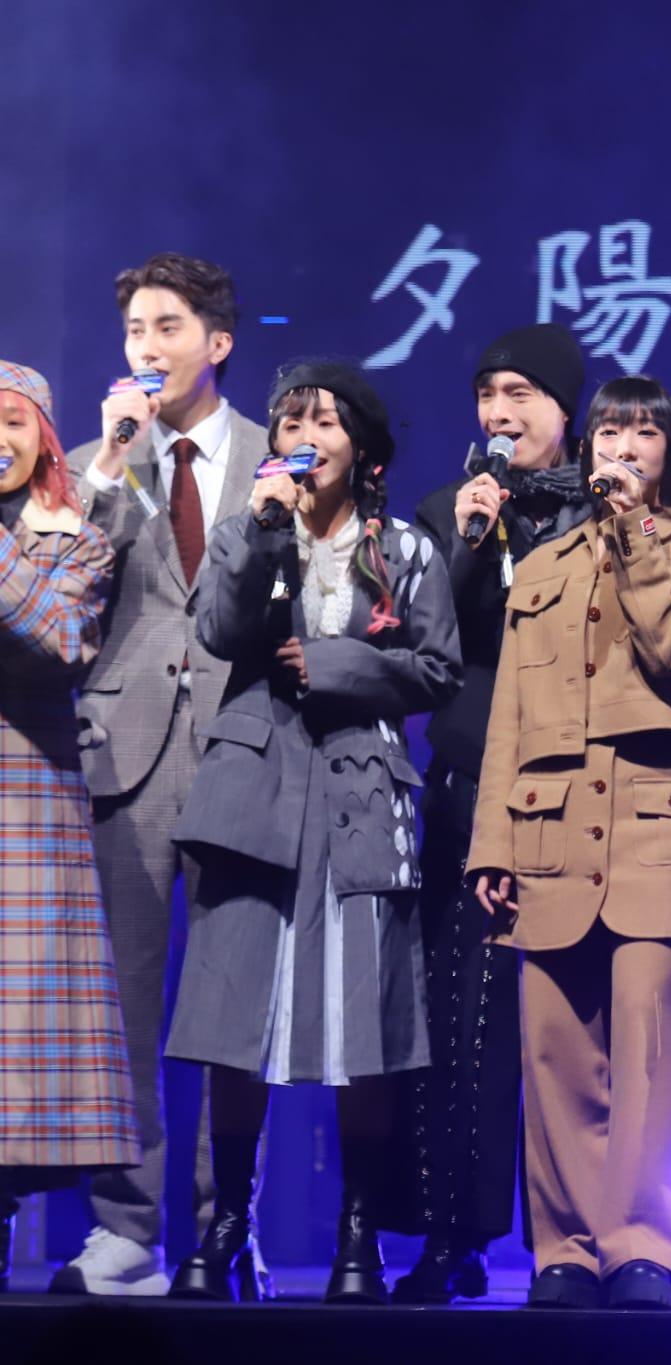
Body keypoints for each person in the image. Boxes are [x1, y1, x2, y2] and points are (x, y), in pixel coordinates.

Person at [163, 361, 459, 1304]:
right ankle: (227, 1221)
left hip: (362, 796)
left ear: (361, 446)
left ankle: (358, 1231)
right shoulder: (249, 528)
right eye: (292, 420)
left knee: (362, 1017)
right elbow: (218, 629)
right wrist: (260, 528)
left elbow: (438, 669)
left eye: (326, 421)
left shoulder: (406, 549)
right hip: (253, 793)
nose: (306, 435)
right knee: (235, 1013)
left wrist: (335, 664)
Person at [469, 376, 671, 1311]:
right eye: (609, 433)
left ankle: (643, 1247)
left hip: (655, 830)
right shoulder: (541, 568)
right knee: (554, 1051)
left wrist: (633, 533)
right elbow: (509, 714)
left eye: (643, 434)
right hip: (547, 828)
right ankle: (566, 1247)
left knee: (646, 1048)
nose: (623, 448)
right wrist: (491, 842)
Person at [63, 252, 272, 1297]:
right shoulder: (94, 462)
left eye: (167, 327)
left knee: (234, 1005)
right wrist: (110, 462)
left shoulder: (278, 456)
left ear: (216, 342)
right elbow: (60, 584)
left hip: (245, 750)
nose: (146, 347)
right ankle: (124, 1228)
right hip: (124, 752)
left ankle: (226, 1222)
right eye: (135, 330)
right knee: (123, 1004)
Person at [393, 323, 592, 1302]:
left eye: (521, 393)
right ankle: (452, 1235)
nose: (500, 412)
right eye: (488, 394)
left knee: (572, 1021)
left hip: (584, 792)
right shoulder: (448, 511)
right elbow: (419, 648)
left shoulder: (606, 508)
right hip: (472, 789)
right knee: (461, 1020)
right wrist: (466, 543)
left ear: (565, 408)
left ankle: (582, 1240)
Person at [0, 362, 139, 1291]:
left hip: (26, 803)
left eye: (13, 421)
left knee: (17, 1039)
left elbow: (57, 639)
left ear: (45, 438)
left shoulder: (75, 536)